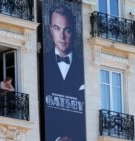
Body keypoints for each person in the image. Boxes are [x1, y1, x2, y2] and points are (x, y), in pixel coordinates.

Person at [43, 4, 85, 141]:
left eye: (67, 30)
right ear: (50, 30)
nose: (62, 36)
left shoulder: (84, 67)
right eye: (57, 28)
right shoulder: (42, 61)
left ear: (74, 32)